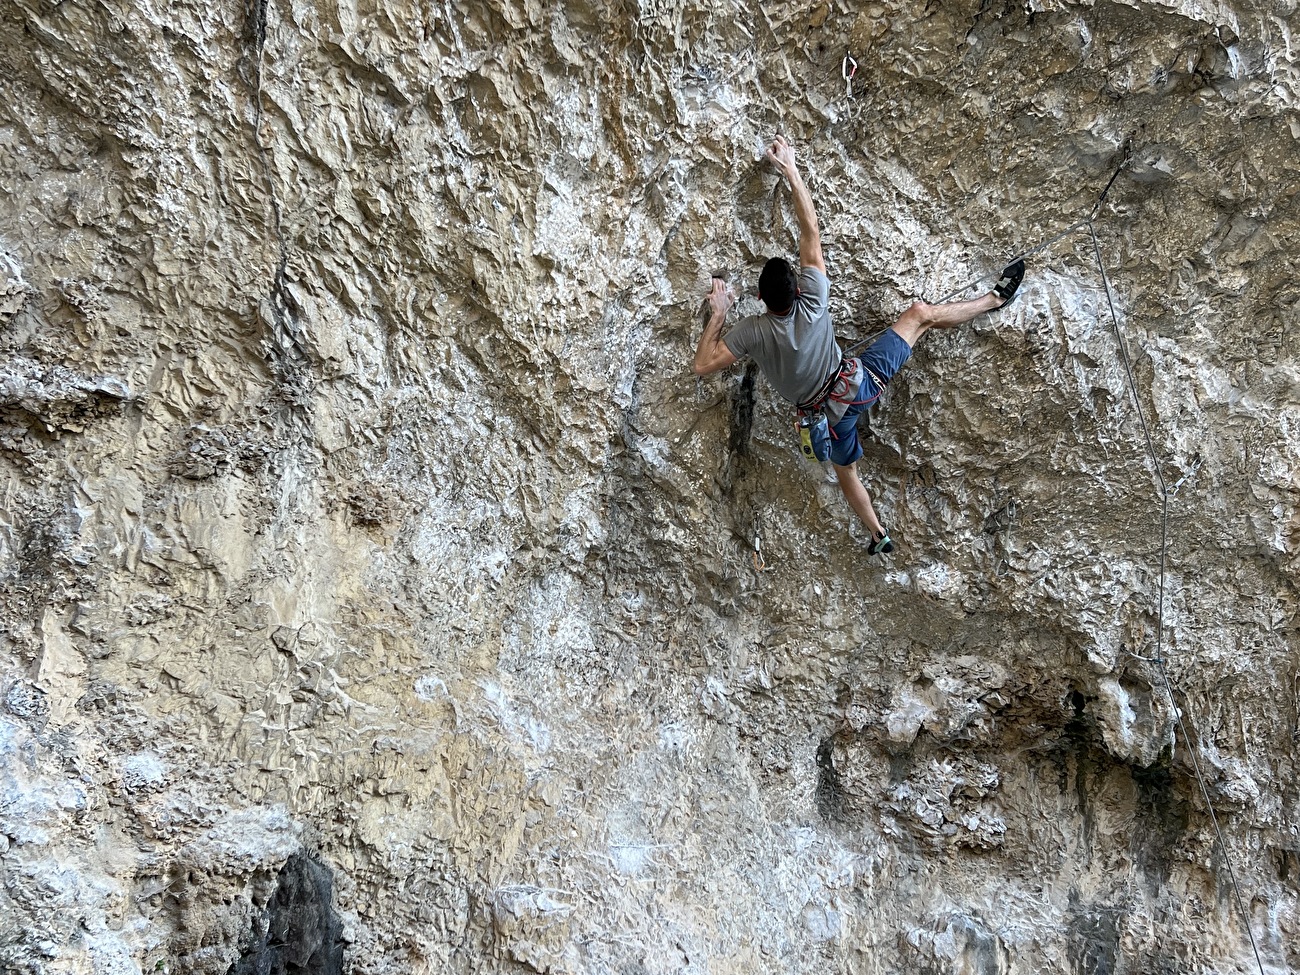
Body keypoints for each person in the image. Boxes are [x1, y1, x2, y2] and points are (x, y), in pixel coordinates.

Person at [692, 135, 1025, 555]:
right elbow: (810, 231)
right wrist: (790, 169)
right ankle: (994, 299)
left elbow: (703, 364)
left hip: (826, 421)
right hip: (857, 386)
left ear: (761, 299)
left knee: (846, 472)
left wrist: (720, 312)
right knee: (919, 315)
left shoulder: (751, 332)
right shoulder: (813, 298)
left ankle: (878, 534)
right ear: (798, 289)